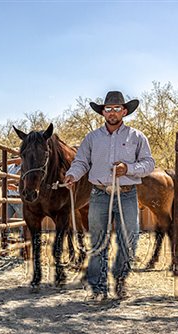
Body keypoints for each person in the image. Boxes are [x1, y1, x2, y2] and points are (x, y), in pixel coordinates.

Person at [63, 91, 155, 303]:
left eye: (116, 109)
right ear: (103, 112)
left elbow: (149, 164)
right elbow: (81, 162)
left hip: (127, 195)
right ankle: (98, 288)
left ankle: (120, 280)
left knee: (129, 240)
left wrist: (128, 168)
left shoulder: (137, 137)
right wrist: (72, 175)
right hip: (99, 194)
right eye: (108, 109)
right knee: (98, 241)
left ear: (124, 111)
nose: (112, 112)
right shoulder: (92, 138)